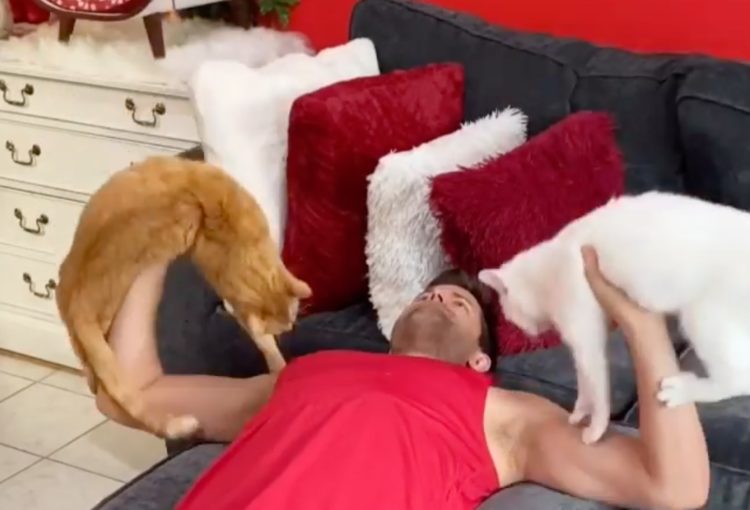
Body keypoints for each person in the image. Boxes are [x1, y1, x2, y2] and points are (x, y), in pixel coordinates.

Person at [97, 247, 710, 509]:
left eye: (459, 303)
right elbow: (131, 396)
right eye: (430, 293)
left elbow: (675, 487)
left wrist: (643, 326)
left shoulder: (504, 414)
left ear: (479, 360)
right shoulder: (305, 373)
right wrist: (150, 256)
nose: (439, 296)